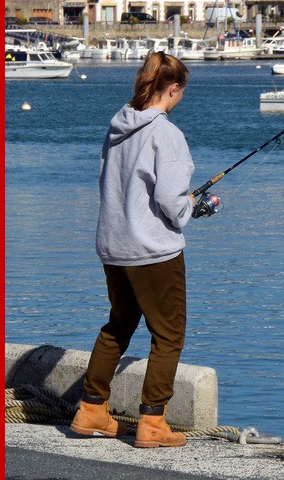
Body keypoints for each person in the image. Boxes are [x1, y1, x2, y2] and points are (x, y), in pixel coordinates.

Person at [70, 51, 219, 448]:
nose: (180, 98)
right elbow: (173, 204)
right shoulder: (166, 133)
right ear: (173, 88)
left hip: (113, 244)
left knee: (118, 324)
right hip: (152, 250)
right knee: (169, 335)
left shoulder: (118, 125)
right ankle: (153, 422)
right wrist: (197, 207)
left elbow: (109, 182)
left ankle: (90, 410)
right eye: (181, 92)